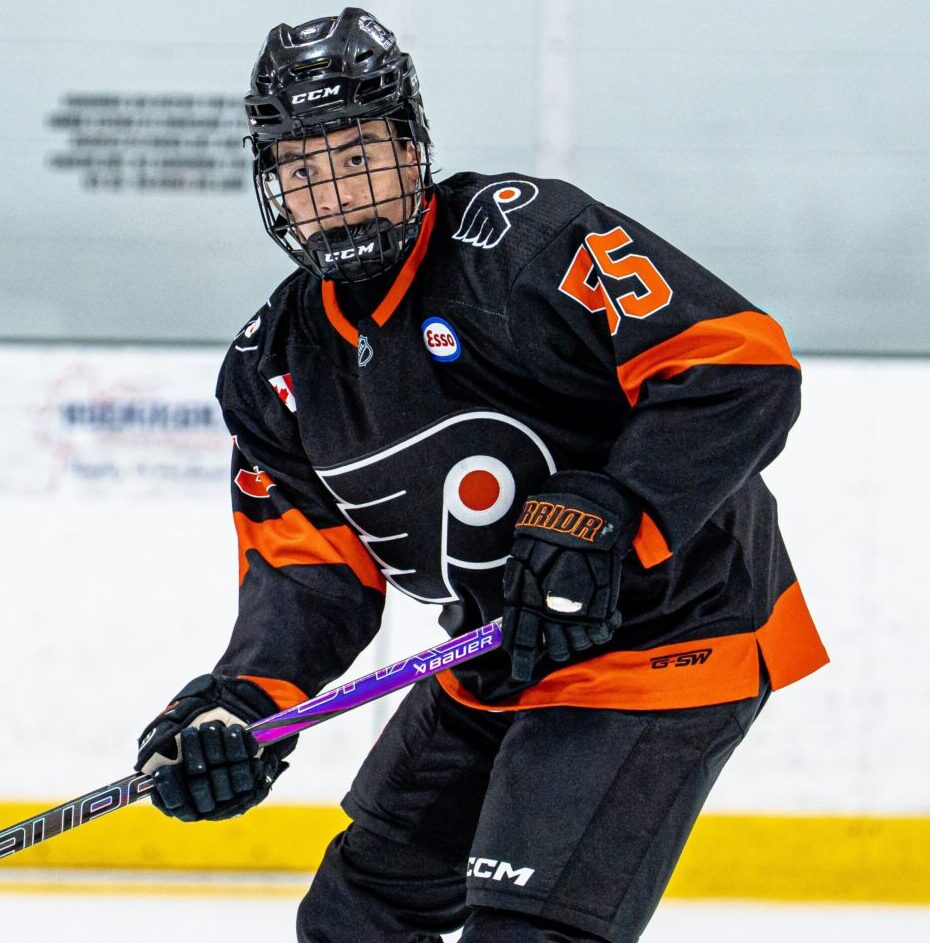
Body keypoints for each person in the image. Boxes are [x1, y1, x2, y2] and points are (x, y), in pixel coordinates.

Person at [135, 8, 829, 942]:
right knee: (354, 920)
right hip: (497, 653)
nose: (334, 193)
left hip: (668, 638)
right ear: (273, 187)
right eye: (302, 169)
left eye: (357, 155)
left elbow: (740, 366)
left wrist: (613, 507)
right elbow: (310, 572)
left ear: (410, 147)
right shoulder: (276, 367)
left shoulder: (522, 241)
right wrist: (242, 704)